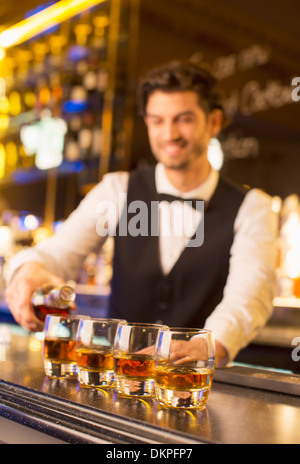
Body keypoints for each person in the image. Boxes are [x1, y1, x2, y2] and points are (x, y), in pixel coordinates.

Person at [5, 61, 278, 367]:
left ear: (214, 122)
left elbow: (251, 291)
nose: (169, 133)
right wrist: (29, 269)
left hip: (195, 384)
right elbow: (58, 252)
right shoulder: (118, 190)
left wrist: (210, 343)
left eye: (183, 119)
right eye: (157, 121)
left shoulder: (252, 207)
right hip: (120, 379)